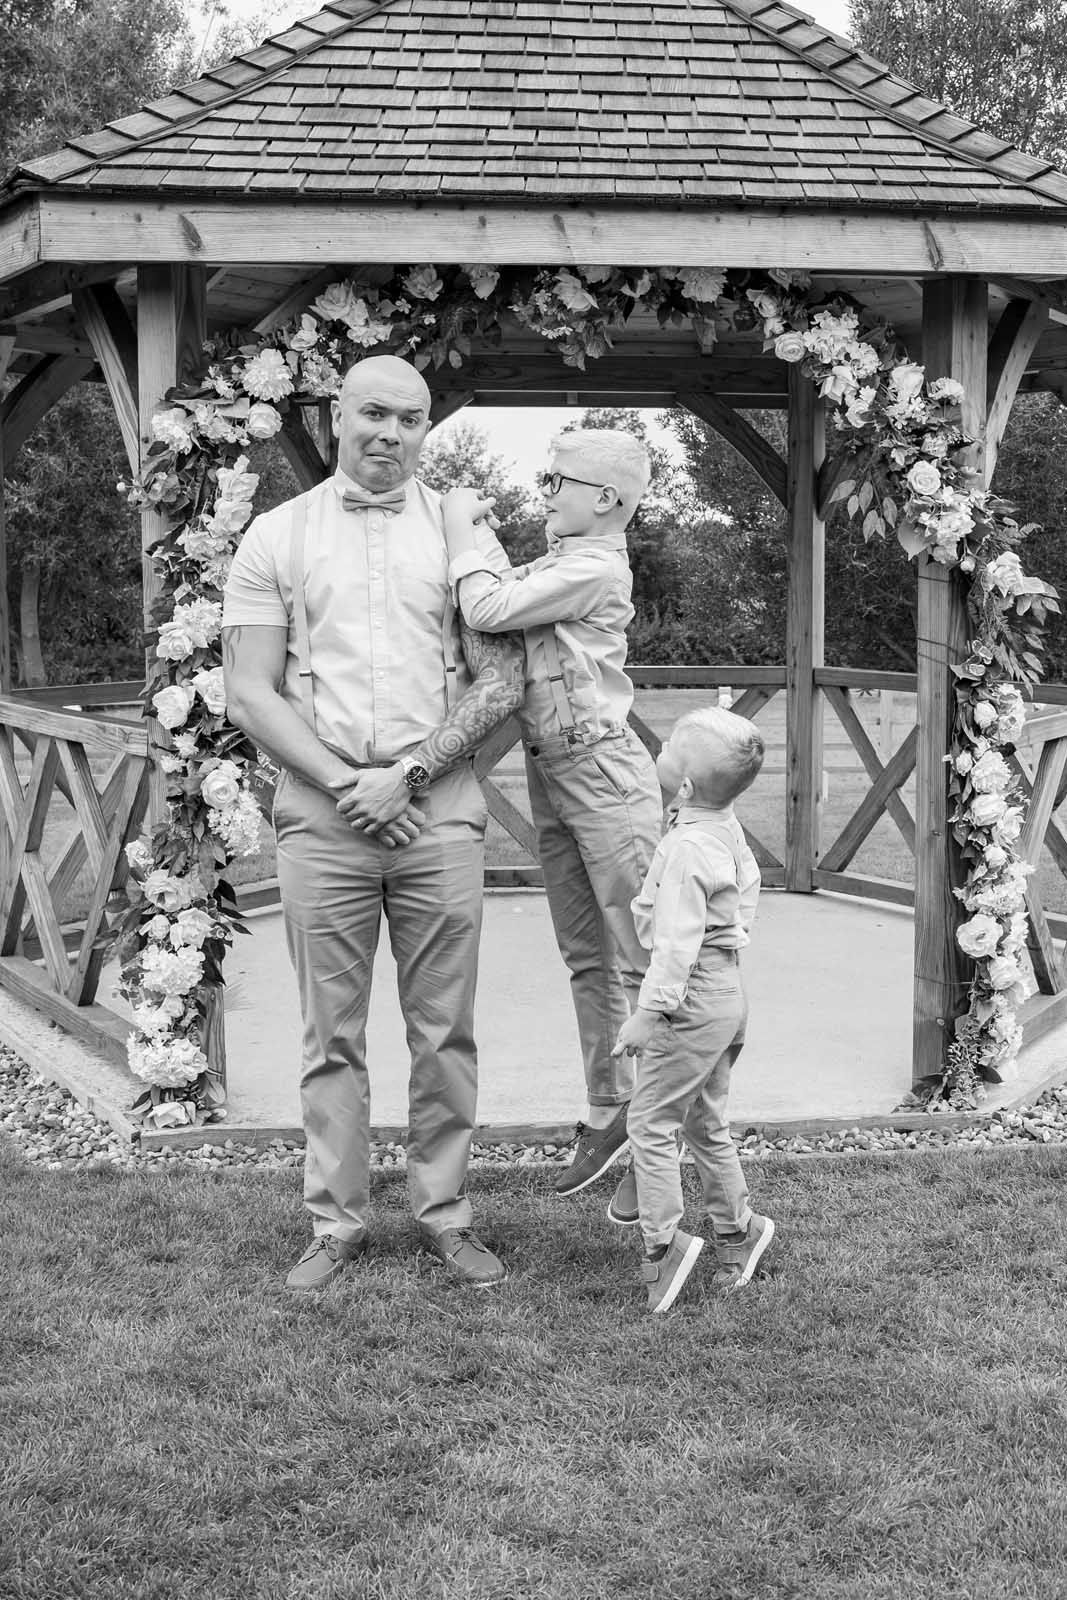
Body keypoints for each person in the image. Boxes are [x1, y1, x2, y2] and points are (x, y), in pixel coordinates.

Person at [221, 355, 524, 1292]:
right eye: (374, 414)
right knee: (330, 1034)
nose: (391, 434)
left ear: (426, 428)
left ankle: (445, 1214)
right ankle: (335, 1223)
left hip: (436, 809)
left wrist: (412, 776)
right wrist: (350, 785)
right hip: (325, 811)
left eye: (411, 418)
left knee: (445, 1029)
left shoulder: (466, 532)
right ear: (337, 415)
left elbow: (499, 679)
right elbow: (247, 691)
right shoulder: (277, 533)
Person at [441, 429, 664, 1198]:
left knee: (643, 961)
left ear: (604, 499)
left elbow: (489, 601)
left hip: (605, 774)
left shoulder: (595, 566)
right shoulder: (563, 561)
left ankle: (658, 1139)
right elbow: (502, 586)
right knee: (586, 957)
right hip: (554, 770)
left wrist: (458, 524)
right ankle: (611, 1112)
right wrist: (478, 532)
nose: (545, 493)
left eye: (556, 480)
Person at [610, 706, 775, 1314]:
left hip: (690, 997)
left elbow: (676, 947)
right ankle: (739, 1230)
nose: (660, 753)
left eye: (669, 751)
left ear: (681, 786)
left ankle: (662, 1248)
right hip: (728, 992)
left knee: (650, 1123)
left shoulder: (685, 849)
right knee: (705, 1120)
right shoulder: (726, 829)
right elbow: (747, 898)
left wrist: (650, 1013)